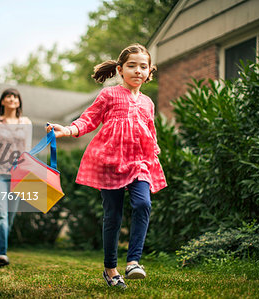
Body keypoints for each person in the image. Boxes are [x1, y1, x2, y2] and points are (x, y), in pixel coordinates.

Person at [47, 44, 167, 289]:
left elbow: (150, 131)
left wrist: (154, 149)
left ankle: (133, 261)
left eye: (143, 66)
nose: (137, 71)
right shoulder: (109, 95)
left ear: (149, 72)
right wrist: (68, 130)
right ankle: (110, 269)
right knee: (113, 216)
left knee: (143, 203)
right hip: (110, 161)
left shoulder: (148, 103)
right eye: (131, 66)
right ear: (120, 70)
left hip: (139, 162)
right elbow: (89, 119)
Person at [0, 88, 32, 266]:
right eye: (8, 96)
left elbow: (28, 150)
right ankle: (0, 254)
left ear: (19, 102)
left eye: (15, 96)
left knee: (9, 217)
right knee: (1, 215)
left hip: (18, 175)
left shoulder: (25, 122)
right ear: (2, 101)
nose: (12, 99)